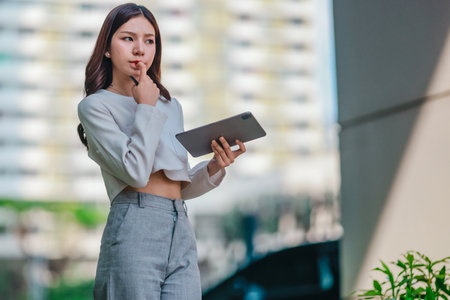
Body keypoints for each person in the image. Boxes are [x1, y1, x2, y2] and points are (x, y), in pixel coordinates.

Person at [77, 3, 246, 299]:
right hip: (133, 223)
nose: (140, 49)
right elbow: (136, 173)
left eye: (149, 40)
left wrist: (213, 167)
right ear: (107, 48)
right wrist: (145, 106)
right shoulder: (95, 106)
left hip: (180, 224)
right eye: (128, 38)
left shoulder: (171, 105)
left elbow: (176, 186)